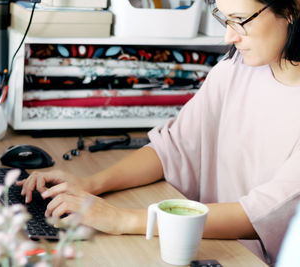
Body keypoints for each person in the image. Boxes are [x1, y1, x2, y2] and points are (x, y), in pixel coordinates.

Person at [16, 0, 300, 265]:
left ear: (292, 9)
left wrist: (123, 220)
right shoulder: (234, 69)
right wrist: (89, 184)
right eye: (224, 20)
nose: (229, 37)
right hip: (202, 241)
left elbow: (261, 214)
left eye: (240, 20)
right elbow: (173, 147)